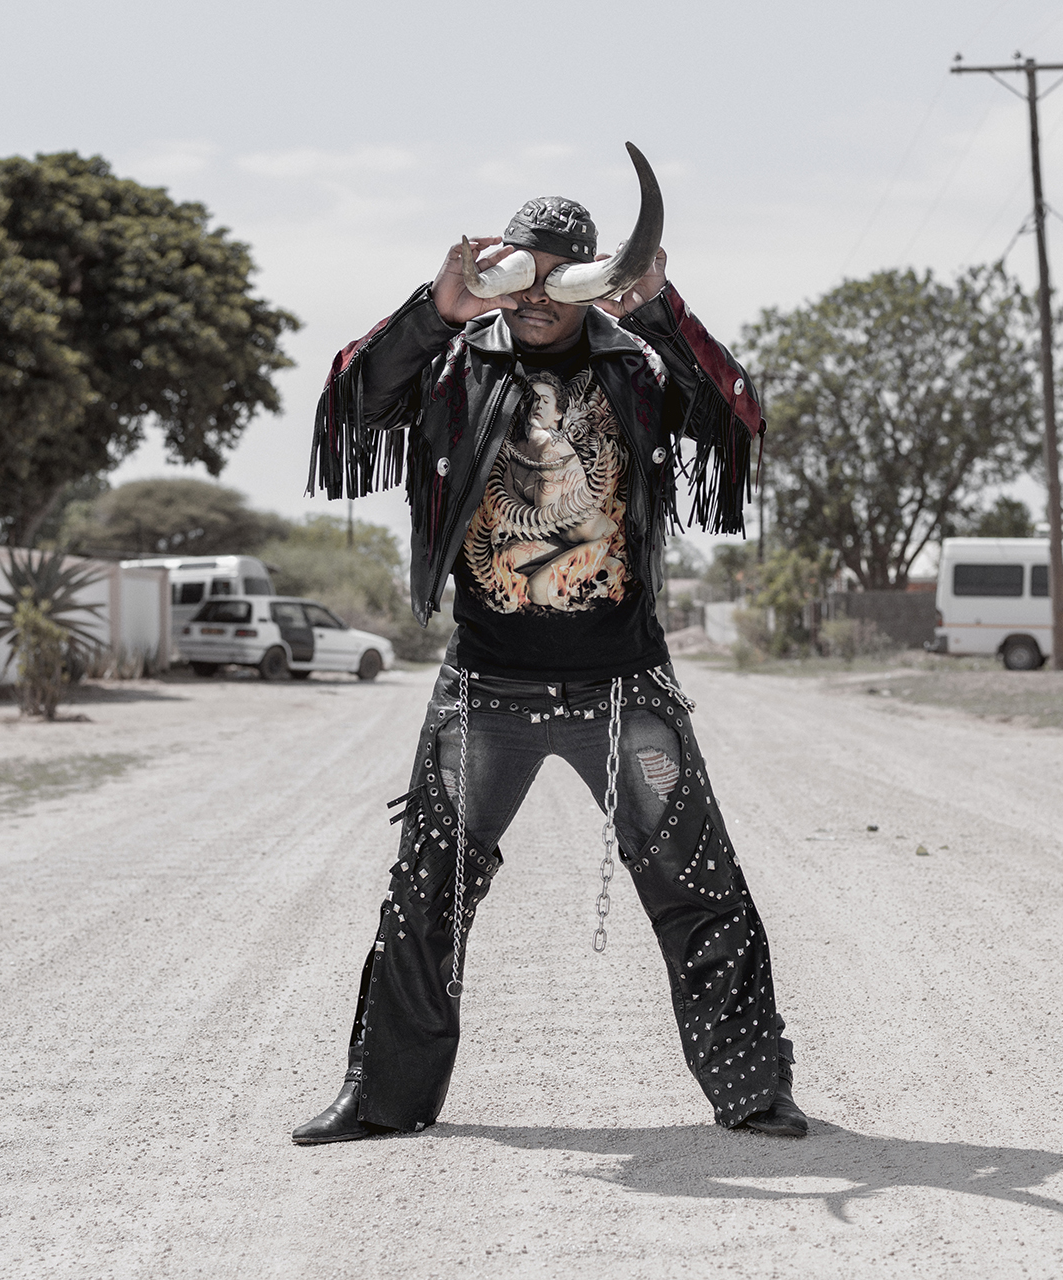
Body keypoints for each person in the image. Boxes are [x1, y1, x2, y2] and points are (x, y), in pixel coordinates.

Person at [294, 145, 807, 1144]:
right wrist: (431, 308)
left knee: (699, 881)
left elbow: (738, 416)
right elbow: (349, 408)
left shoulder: (638, 364)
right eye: (517, 272)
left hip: (623, 682)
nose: (532, 297)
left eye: (553, 277)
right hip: (484, 683)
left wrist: (661, 305)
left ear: (585, 282)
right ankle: (382, 1096)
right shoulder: (454, 361)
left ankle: (754, 1090)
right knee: (426, 891)